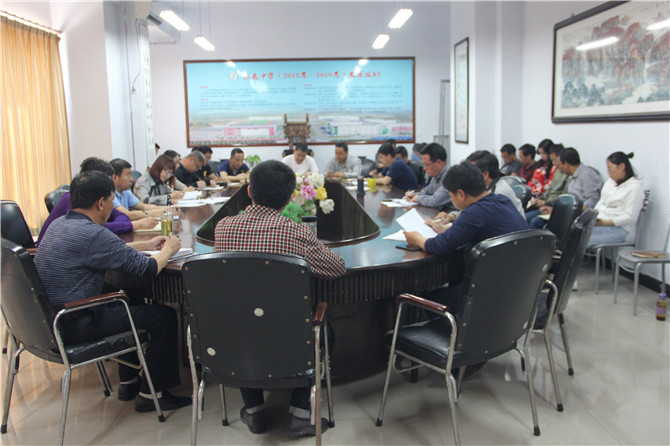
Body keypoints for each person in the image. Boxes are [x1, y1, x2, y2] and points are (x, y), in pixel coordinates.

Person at [34, 171, 190, 413]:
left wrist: (147, 244)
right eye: (111, 200)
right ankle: (152, 395)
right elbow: (148, 268)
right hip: (76, 322)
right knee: (164, 317)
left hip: (50, 322)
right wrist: (169, 249)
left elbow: (108, 249)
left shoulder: (60, 224)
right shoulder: (93, 234)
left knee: (128, 299)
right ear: (101, 203)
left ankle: (129, 382)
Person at [214, 160, 345, 437]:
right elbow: (336, 269)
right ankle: (299, 413)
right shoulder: (296, 232)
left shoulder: (224, 227)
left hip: (235, 336)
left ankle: (253, 410)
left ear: (249, 191)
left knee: (242, 317)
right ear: (289, 199)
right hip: (289, 335)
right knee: (324, 332)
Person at [404, 162, 528, 311]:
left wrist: (417, 239)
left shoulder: (475, 212)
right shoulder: (501, 200)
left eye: (451, 195)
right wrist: (445, 230)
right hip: (519, 286)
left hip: (490, 292)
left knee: (427, 299)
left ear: (461, 194)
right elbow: (474, 229)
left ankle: (449, 325)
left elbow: (440, 246)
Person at [37, 158, 155, 245]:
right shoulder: (74, 200)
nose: (109, 186)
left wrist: (108, 226)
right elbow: (91, 230)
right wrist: (133, 225)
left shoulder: (98, 200)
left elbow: (120, 216)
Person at [426, 150, 524, 229]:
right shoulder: (485, 190)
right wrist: (452, 216)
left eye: (471, 171)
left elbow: (477, 218)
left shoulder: (498, 193)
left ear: (484, 174)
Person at [529, 147, 603, 229]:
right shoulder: (571, 175)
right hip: (568, 212)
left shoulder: (587, 175)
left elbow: (593, 200)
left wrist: (571, 211)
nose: (559, 168)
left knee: (547, 228)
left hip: (578, 216)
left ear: (566, 164)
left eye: (560, 165)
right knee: (535, 221)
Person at [589, 152, 644, 245]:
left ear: (622, 167)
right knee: (571, 233)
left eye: (610, 169)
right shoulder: (610, 182)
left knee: (579, 240)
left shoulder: (635, 188)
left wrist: (605, 222)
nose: (608, 173)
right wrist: (593, 217)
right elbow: (601, 202)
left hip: (617, 229)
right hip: (599, 223)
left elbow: (630, 217)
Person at [525, 143, 569, 224]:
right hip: (547, 203)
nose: (553, 163)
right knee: (524, 216)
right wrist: (540, 199)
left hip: (554, 206)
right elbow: (550, 189)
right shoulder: (557, 171)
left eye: (554, 160)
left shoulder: (568, 174)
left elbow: (563, 195)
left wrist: (546, 202)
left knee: (534, 221)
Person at [405, 142, 454, 211]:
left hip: (450, 215)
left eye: (426, 165)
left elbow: (434, 201)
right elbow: (427, 191)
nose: (424, 168)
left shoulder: (451, 176)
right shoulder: (436, 175)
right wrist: (413, 195)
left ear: (438, 163)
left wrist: (418, 198)